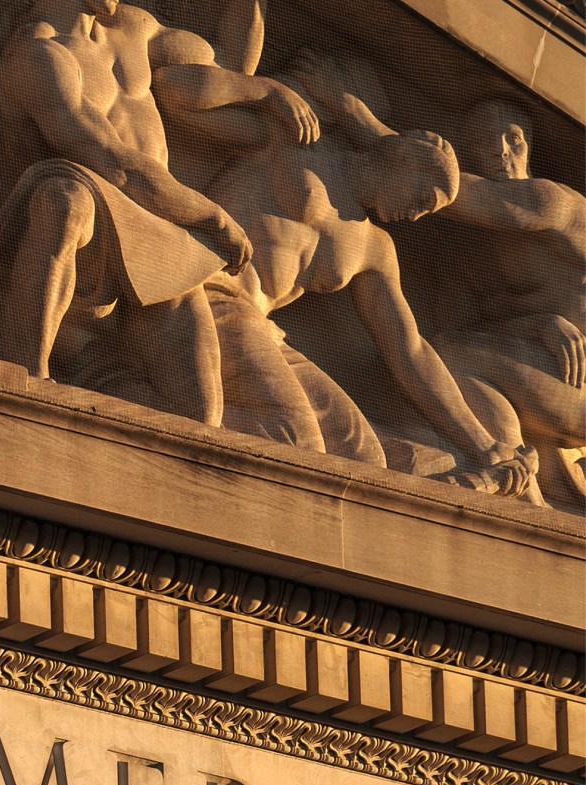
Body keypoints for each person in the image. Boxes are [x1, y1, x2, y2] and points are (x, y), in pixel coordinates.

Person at [194, 61, 538, 498]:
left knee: (361, 460)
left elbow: (410, 351)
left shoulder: (375, 249)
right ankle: (158, 394)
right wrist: (262, 90)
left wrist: (482, 443)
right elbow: (173, 92)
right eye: (422, 198)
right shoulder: (303, 145)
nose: (414, 216)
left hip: (262, 329)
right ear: (404, 161)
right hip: (212, 292)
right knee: (295, 439)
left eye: (426, 212)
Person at [0, 0, 316, 425]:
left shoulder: (135, 28)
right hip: (93, 207)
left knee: (200, 421)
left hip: (159, 225)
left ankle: (105, 387)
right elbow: (114, 164)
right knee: (65, 202)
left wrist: (268, 89)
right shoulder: (38, 53)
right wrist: (211, 217)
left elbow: (228, 64)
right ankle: (29, 380)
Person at [427, 98, 586, 499]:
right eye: (484, 141)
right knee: (447, 354)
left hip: (579, 386)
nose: (500, 150)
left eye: (512, 138)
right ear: (468, 154)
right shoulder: (483, 255)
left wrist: (358, 120)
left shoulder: (555, 203)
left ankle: (514, 482)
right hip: (557, 382)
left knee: (449, 357)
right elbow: (485, 321)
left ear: (529, 145)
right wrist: (538, 323)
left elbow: (473, 198)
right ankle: (525, 490)